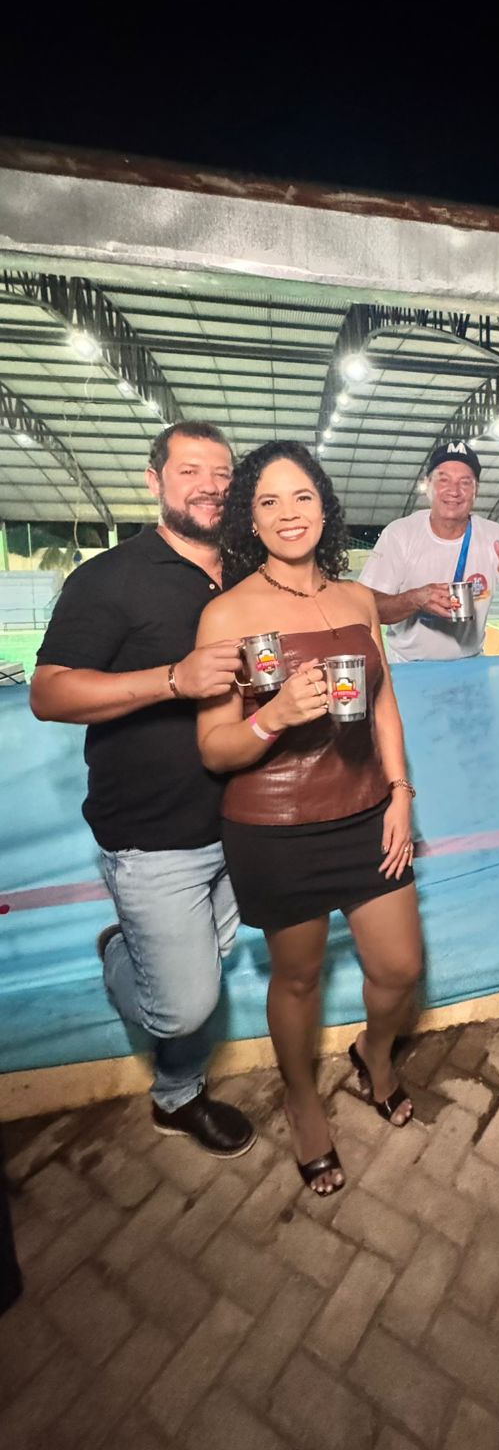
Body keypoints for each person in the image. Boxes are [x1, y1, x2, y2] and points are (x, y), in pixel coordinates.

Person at [195, 441, 423, 1197]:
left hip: (365, 812)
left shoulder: (357, 600)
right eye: (268, 501)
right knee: (296, 980)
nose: (288, 514)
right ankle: (301, 1102)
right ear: (250, 520)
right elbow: (215, 748)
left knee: (399, 968)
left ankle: (374, 1054)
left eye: (302, 497)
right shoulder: (227, 612)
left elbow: (383, 704)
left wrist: (400, 792)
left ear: (324, 508)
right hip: (274, 826)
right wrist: (275, 716)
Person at [30, 423, 254, 1157]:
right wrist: (173, 679)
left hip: (243, 818)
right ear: (155, 481)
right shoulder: (110, 577)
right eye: (191, 471)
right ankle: (172, 1081)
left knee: (212, 958)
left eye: (223, 474)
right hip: (154, 833)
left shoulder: (249, 570)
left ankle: (166, 1048)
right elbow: (49, 692)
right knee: (185, 1005)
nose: (211, 487)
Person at [360, 440, 499, 661]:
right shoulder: (399, 534)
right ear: (427, 484)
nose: (454, 491)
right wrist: (415, 599)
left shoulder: (494, 535)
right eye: (443, 479)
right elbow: (365, 607)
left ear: (476, 490)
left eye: (465, 482)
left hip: (470, 664)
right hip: (408, 666)